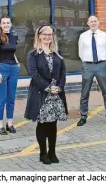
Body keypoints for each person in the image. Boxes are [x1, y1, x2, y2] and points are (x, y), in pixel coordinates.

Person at [24, 24, 68, 165]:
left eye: (50, 34)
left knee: (53, 124)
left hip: (56, 94)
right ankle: (43, 153)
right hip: (41, 93)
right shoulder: (33, 54)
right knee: (43, 124)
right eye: (45, 34)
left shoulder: (57, 53)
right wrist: (48, 87)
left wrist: (59, 87)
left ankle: (52, 152)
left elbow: (63, 72)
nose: (47, 37)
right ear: (39, 35)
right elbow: (34, 74)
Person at [77, 15, 106, 126]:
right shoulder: (83, 36)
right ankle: (83, 116)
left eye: (95, 21)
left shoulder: (104, 36)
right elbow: (81, 52)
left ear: (98, 22)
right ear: (88, 23)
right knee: (85, 92)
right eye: (91, 21)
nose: (93, 23)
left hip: (101, 65)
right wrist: (87, 62)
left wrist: (101, 62)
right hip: (88, 66)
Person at [0, 16, 21, 135]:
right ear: (0, 25)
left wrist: (17, 62)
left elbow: (12, 53)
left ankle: (9, 123)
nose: (6, 24)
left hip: (13, 68)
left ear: (11, 24)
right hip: (2, 68)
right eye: (3, 23)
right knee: (2, 98)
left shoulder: (14, 38)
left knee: (11, 98)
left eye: (8, 22)